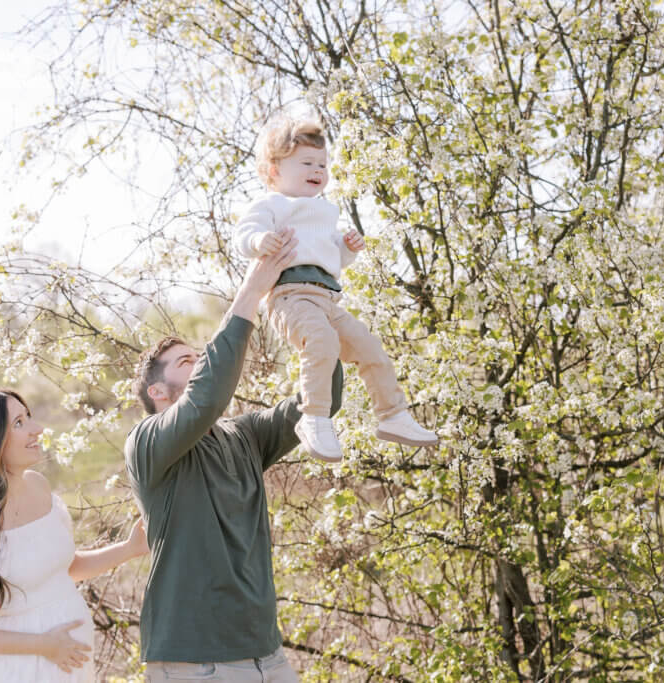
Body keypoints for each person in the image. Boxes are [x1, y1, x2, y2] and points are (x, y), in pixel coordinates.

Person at [126, 239, 340, 682]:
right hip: (195, 662)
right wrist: (251, 291)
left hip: (267, 655)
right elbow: (207, 396)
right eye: (187, 361)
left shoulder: (244, 435)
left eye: (201, 357)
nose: (202, 362)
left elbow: (323, 399)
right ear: (158, 393)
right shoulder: (147, 443)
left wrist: (314, 314)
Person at [234, 115, 438, 462]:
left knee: (370, 347)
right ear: (274, 171)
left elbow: (335, 261)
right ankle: (314, 417)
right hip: (291, 297)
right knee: (322, 342)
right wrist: (259, 240)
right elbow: (244, 235)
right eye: (306, 163)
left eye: (322, 164)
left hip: (328, 298)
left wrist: (348, 247)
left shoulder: (325, 211)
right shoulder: (272, 204)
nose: (318, 169)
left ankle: (392, 415)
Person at [0, 388, 149, 682]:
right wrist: (43, 645)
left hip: (68, 667)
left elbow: (64, 569)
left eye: (28, 417)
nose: (37, 429)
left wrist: (130, 548)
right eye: (18, 423)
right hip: (12, 671)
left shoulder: (39, 487)